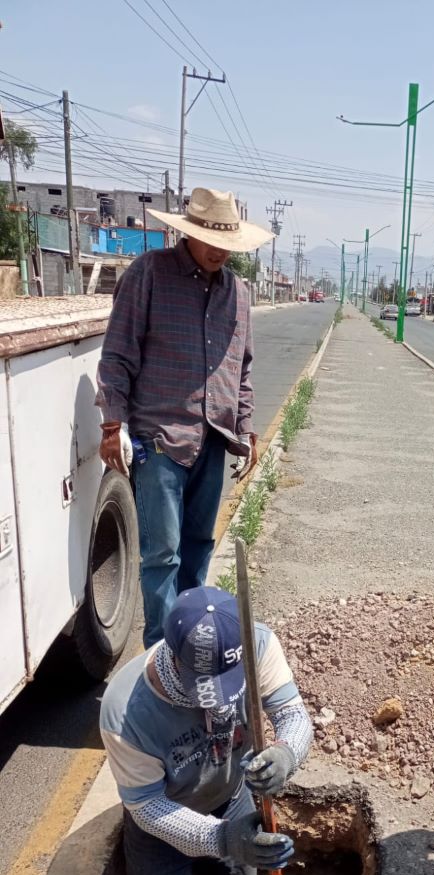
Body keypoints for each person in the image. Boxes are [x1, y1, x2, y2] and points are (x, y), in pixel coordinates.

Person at [100, 586, 312, 875]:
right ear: (173, 657)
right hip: (160, 822)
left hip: (230, 797)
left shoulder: (258, 646)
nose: (216, 706)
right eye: (203, 689)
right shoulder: (125, 712)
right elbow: (147, 807)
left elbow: (292, 715)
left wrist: (286, 753)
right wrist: (222, 839)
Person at [95, 187, 274, 647]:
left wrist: (247, 430)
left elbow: (242, 369)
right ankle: (161, 655)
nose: (220, 252)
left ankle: (191, 645)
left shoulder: (238, 292)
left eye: (227, 244)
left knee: (199, 548)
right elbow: (118, 353)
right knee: (162, 555)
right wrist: (113, 424)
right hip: (160, 440)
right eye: (211, 240)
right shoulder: (149, 274)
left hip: (213, 439)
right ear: (189, 234)